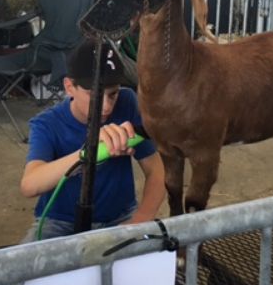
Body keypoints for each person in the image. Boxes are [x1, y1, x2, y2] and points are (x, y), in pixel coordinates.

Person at [20, 40, 165, 242]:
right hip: (60, 222)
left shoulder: (127, 102)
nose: (106, 107)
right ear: (69, 87)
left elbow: (156, 170)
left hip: (120, 217)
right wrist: (87, 154)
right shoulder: (47, 124)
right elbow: (29, 185)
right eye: (93, 95)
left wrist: (141, 219)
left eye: (112, 94)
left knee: (157, 261)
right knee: (26, 269)